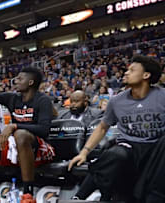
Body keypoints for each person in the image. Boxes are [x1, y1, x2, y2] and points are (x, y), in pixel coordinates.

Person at [68, 55, 165, 203]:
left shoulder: (162, 96)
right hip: (130, 149)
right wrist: (84, 153)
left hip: (156, 151)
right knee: (116, 153)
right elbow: (102, 127)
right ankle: (78, 197)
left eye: (132, 70)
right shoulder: (117, 100)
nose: (126, 72)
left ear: (146, 75)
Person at [0, 67, 55, 203]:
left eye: (19, 79)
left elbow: (44, 129)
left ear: (30, 82)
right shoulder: (12, 98)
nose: (15, 81)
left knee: (21, 134)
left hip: (38, 148)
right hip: (15, 145)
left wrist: (14, 126)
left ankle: (27, 194)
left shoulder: (43, 100)